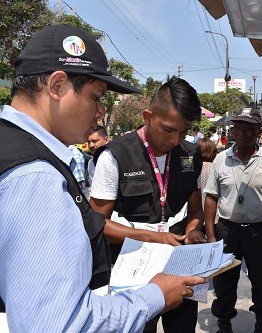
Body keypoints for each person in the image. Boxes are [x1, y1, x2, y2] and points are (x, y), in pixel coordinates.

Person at [0, 24, 206, 332]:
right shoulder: (36, 177)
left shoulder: (16, 148)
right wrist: (154, 296)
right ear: (57, 86)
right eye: (96, 97)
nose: (100, 112)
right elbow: (60, 322)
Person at [89, 75, 207, 333]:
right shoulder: (115, 156)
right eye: (168, 129)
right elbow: (96, 224)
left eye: (184, 131)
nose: (175, 140)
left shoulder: (189, 155)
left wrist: (192, 230)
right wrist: (151, 238)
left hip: (178, 257)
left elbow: (196, 208)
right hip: (132, 262)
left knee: (183, 326)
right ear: (147, 116)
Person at [204, 108, 262, 333]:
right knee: (224, 281)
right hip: (227, 229)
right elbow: (211, 197)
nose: (241, 132)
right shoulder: (221, 159)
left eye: (248, 128)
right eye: (237, 127)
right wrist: (211, 236)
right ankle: (224, 322)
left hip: (258, 231)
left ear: (259, 131)